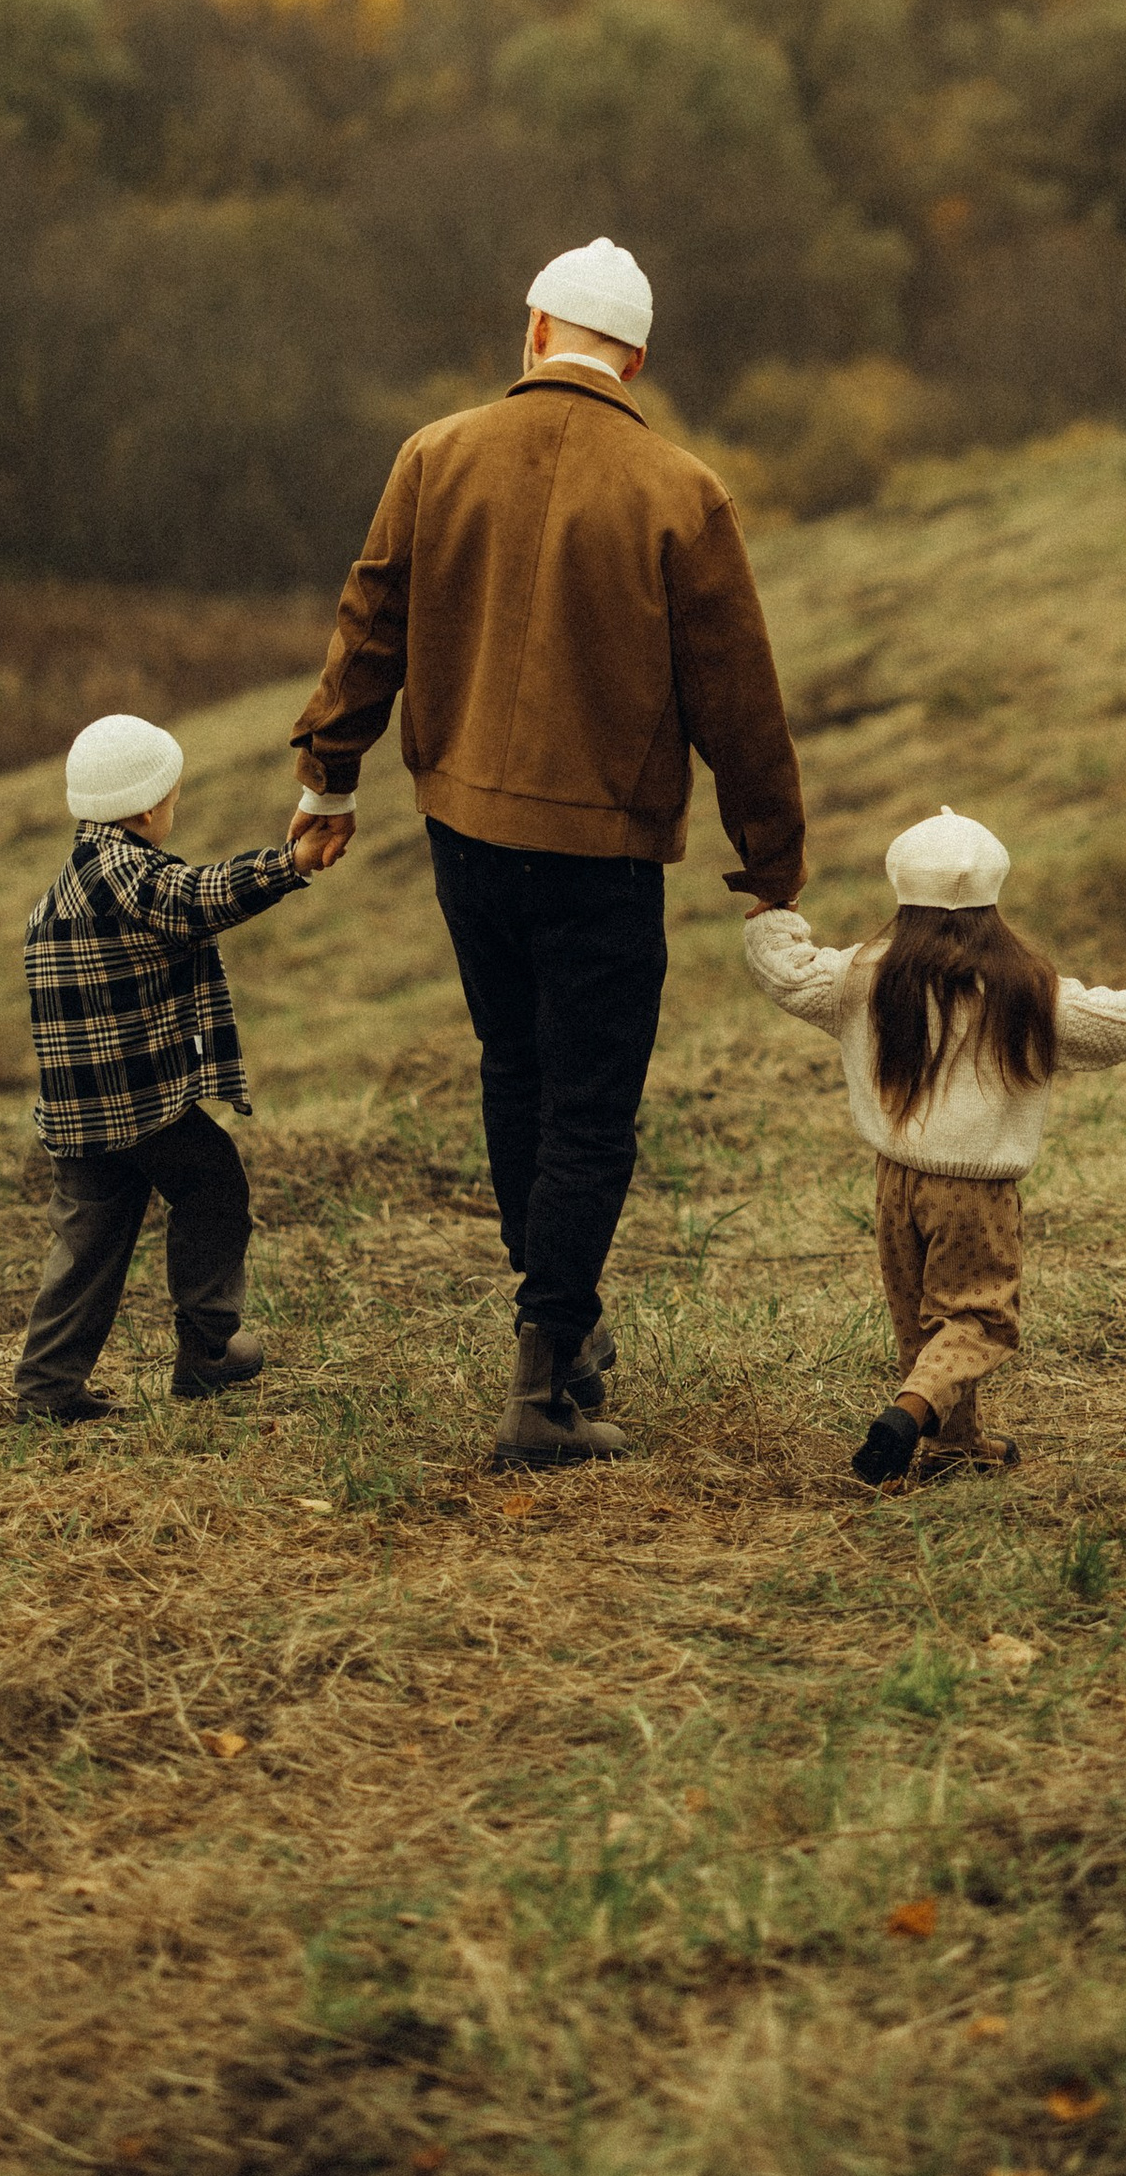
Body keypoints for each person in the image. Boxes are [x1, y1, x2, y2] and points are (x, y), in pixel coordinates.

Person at [287, 238, 806, 1473]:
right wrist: (771, 860)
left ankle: (560, 1333)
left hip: (462, 833)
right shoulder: (683, 492)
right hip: (601, 852)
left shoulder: (435, 454)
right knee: (591, 1108)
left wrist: (327, 777)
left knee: (513, 1071)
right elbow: (740, 700)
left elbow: (371, 622)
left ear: (533, 334)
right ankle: (542, 1383)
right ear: (634, 359)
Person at [745, 805, 1126, 1485]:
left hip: (894, 1181)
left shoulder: (862, 976)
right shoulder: (1024, 990)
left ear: (899, 887)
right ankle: (911, 1412)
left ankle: (955, 1444)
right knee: (980, 1319)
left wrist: (776, 908)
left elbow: (786, 969)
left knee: (922, 1319)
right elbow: (1117, 1022)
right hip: (973, 1191)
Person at [13, 712, 334, 1428]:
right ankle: (209, 1348)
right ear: (150, 806)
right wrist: (290, 864)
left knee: (88, 1243)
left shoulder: (61, 893)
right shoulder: (129, 874)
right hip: (137, 1102)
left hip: (77, 1112)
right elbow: (200, 897)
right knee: (214, 1184)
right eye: (175, 796)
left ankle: (46, 1389)